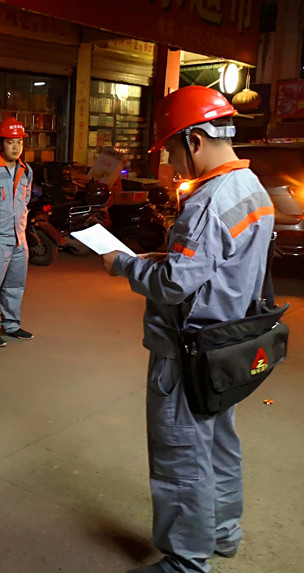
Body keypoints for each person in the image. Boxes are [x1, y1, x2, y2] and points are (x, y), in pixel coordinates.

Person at [101, 86, 275, 573]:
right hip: (227, 349)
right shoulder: (251, 188)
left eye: (171, 151)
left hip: (187, 352)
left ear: (194, 140)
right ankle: (222, 533)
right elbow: (218, 264)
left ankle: (185, 561)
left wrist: (123, 265)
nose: (172, 164)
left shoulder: (208, 201)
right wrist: (164, 256)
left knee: (181, 457)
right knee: (218, 444)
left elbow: (175, 284)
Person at [0, 117, 34, 347]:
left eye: (19, 142)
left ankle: (11, 324)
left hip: (20, 236)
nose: (16, 147)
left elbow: (25, 199)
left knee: (15, 284)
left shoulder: (26, 170)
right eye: (10, 142)